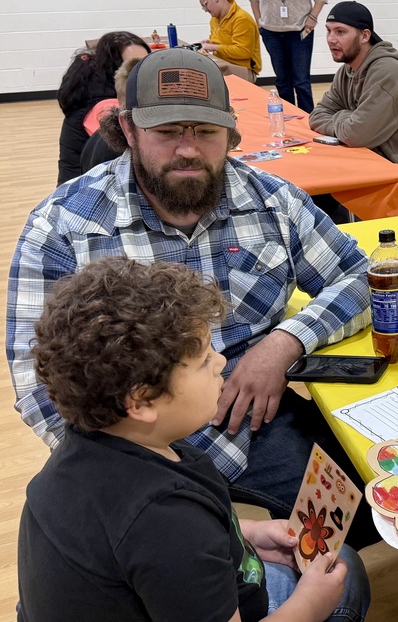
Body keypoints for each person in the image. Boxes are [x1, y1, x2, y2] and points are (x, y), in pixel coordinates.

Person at [8, 49, 380, 548]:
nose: (188, 150)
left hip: (258, 421)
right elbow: (38, 383)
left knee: (368, 507)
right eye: (168, 131)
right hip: (133, 443)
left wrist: (285, 342)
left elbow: (363, 278)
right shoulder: (63, 225)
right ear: (129, 129)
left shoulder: (272, 200)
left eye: (205, 132)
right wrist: (139, 466)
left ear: (230, 133)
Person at [18, 257, 370, 621]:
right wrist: (312, 603)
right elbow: (174, 543)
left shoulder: (93, 448)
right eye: (203, 360)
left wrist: (247, 532)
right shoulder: (166, 521)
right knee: (344, 579)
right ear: (141, 401)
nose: (221, 363)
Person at [309, 1, 398, 200]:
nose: (331, 39)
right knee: (313, 189)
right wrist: (349, 119)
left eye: (340, 32)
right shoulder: (346, 71)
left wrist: (344, 118)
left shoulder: (387, 73)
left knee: (319, 201)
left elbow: (355, 135)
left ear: (364, 36)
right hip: (376, 164)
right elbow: (317, 116)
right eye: (328, 31)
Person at [249, 0, 328, 113]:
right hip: (271, 32)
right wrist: (260, 21)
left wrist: (312, 18)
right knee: (282, 80)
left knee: (301, 80)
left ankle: (309, 119)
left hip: (300, 31)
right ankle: (290, 119)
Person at [56, 31, 150, 184]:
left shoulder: (94, 90)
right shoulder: (104, 108)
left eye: (146, 63)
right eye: (133, 65)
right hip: (83, 193)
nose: (144, 72)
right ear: (114, 68)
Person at [199, 0, 262, 82]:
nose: (205, 10)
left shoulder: (242, 19)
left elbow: (243, 52)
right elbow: (222, 43)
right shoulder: (214, 20)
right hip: (223, 65)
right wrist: (211, 43)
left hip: (242, 69)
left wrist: (213, 47)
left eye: (205, 4)